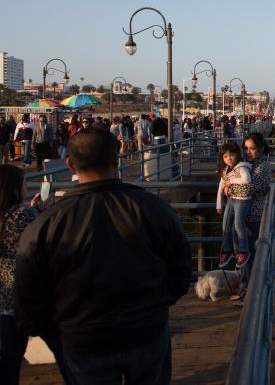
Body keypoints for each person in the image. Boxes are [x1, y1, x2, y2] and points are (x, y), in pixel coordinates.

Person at [15, 128, 192, 384]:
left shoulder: (46, 223)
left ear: (70, 164)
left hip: (82, 337)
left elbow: (28, 290)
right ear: (116, 159)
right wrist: (159, 303)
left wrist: (53, 329)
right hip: (145, 329)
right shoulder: (154, 209)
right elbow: (180, 270)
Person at [0, 165, 41, 384]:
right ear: (15, 189)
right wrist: (36, 210)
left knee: (6, 363)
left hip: (2, 300)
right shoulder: (22, 215)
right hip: (20, 299)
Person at [228, 133, 272, 299]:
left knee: (250, 256)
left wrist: (229, 187)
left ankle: (251, 292)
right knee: (242, 254)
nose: (248, 152)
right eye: (245, 148)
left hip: (253, 218)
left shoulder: (263, 167)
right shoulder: (248, 165)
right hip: (243, 217)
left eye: (252, 148)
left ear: (260, 149)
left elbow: (248, 189)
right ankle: (245, 288)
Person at [216, 142, 252, 269]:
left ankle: (243, 251)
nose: (229, 158)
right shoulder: (226, 170)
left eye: (231, 155)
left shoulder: (242, 167)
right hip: (232, 199)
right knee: (226, 225)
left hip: (242, 199)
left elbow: (247, 179)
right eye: (225, 156)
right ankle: (226, 251)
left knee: (238, 224)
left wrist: (230, 182)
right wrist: (219, 204)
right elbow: (221, 186)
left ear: (237, 155)